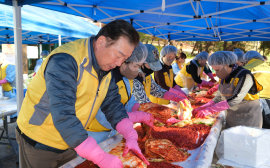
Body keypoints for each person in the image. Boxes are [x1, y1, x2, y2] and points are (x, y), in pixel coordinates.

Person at [16, 20, 149, 168]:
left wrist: (129, 133)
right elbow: (64, 114)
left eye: (124, 59)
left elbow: (112, 103)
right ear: (101, 42)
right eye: (118, 55)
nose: (119, 63)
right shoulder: (66, 60)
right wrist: (99, 157)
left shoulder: (106, 66)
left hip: (73, 141)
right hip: (40, 141)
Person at [87, 42, 154, 143]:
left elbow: (129, 100)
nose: (137, 70)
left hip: (114, 131)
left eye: (139, 66)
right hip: (94, 135)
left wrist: (138, 108)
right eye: (136, 66)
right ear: (124, 61)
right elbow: (101, 114)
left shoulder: (126, 78)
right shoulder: (106, 78)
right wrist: (132, 116)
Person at [193, 51, 263, 129]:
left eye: (217, 70)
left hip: (248, 118)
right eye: (214, 70)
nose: (216, 73)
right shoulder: (224, 77)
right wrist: (203, 107)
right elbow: (219, 97)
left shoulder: (245, 75)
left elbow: (236, 99)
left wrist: (210, 110)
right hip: (232, 117)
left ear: (227, 65)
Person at [243, 51, 270, 129]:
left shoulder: (245, 69)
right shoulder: (269, 68)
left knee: (253, 130)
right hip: (269, 102)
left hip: (253, 102)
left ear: (246, 60)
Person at [0, 53, 16, 120]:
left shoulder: (10, 66)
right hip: (5, 90)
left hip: (12, 90)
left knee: (13, 109)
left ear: (2, 58)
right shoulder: (1, 66)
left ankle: (15, 119)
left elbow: (9, 78)